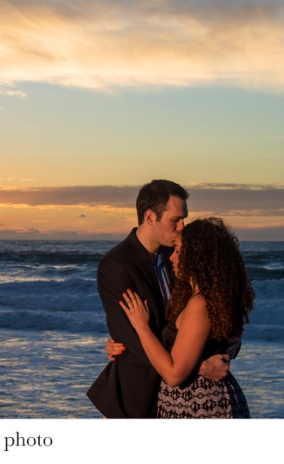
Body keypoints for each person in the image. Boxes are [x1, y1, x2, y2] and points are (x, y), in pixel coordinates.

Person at [86, 179, 230, 418]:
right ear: (150, 217)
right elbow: (135, 340)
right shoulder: (116, 265)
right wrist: (199, 367)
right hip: (137, 398)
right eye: (176, 220)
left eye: (184, 219)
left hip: (179, 399)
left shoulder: (180, 257)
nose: (182, 227)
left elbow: (206, 319)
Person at [119, 217, 254, 418]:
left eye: (178, 250)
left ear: (197, 257)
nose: (172, 257)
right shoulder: (205, 298)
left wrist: (142, 327)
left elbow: (174, 374)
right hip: (198, 401)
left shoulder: (200, 304)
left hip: (199, 403)